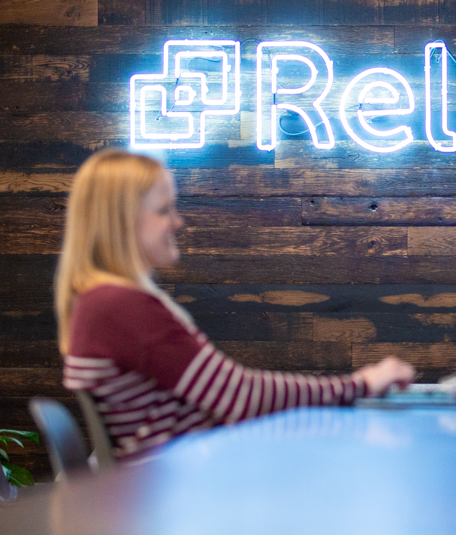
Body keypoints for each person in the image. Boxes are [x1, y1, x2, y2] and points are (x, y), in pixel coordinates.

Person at [55, 149, 414, 461]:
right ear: (121, 220)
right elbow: (238, 396)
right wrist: (362, 383)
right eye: (165, 209)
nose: (178, 222)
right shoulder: (119, 306)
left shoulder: (100, 302)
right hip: (177, 495)